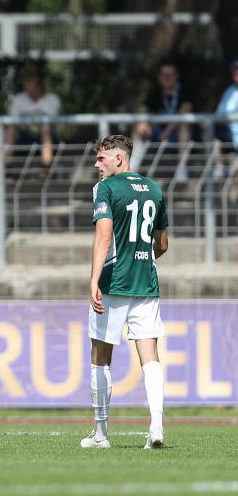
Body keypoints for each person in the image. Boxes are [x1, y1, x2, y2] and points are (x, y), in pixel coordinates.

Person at [84, 135, 168, 451]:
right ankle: (156, 425)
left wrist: (94, 279)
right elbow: (162, 244)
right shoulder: (156, 190)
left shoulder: (105, 189)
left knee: (100, 356)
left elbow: (104, 237)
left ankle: (101, 434)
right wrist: (140, 259)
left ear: (119, 159)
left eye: (101, 158)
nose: (96, 164)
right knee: (150, 356)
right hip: (146, 282)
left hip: (113, 282)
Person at [6, 70, 61, 167]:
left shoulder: (52, 99)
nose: (27, 87)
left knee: (46, 128)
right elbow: (12, 122)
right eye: (26, 83)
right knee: (11, 130)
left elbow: (52, 122)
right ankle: (6, 165)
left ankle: (46, 165)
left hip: (47, 137)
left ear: (39, 86)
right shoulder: (18, 99)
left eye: (31, 83)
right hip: (23, 137)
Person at [134, 61, 194, 146]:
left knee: (184, 127)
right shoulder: (154, 93)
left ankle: (182, 159)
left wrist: (167, 132)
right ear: (158, 77)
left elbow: (184, 113)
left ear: (176, 76)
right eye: (164, 75)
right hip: (158, 131)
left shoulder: (184, 91)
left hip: (175, 131)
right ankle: (135, 158)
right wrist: (144, 123)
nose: (167, 77)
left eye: (170, 74)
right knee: (140, 126)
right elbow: (144, 110)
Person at [215, 57, 238, 151]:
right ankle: (218, 165)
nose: (237, 73)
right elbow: (218, 115)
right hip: (230, 137)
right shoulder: (229, 91)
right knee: (213, 132)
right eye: (235, 70)